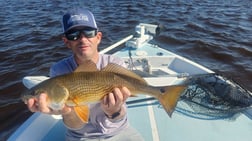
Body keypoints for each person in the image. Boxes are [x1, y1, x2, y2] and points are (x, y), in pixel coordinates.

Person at [25, 8, 144, 141]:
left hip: (120, 131)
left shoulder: (115, 63)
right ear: (66, 42)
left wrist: (113, 111)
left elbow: (118, 118)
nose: (82, 39)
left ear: (98, 37)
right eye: (73, 35)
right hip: (81, 137)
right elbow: (76, 125)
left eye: (88, 32)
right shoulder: (59, 70)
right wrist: (67, 112)